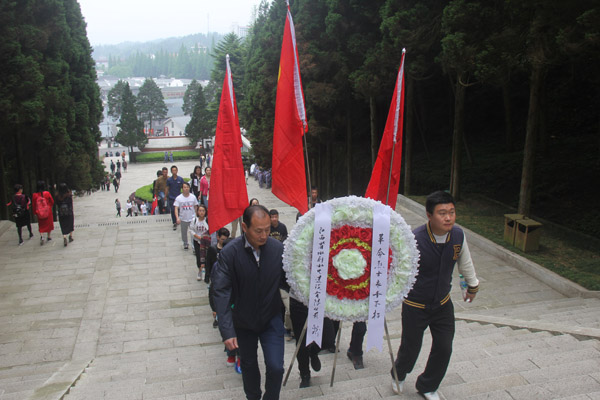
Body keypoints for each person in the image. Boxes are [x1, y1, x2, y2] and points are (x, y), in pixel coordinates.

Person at [390, 191, 479, 400]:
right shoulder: (415, 239)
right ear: (429, 215)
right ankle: (398, 373)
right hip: (416, 305)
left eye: (451, 212)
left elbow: (464, 261)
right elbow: (398, 269)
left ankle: (428, 386)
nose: (448, 218)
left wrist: (472, 285)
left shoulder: (458, 236)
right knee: (411, 348)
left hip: (442, 304)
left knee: (444, 347)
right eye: (442, 213)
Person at [212, 205, 287, 400]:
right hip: (243, 321)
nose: (264, 236)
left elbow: (289, 281)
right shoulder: (230, 253)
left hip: (271, 317)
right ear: (245, 228)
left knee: (276, 367)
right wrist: (227, 331)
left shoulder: (278, 249)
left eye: (267, 230)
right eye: (258, 231)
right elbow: (221, 292)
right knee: (248, 365)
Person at [174, 181, 198, 250]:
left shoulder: (193, 197)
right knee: (184, 233)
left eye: (187, 187)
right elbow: (176, 208)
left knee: (193, 233)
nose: (186, 189)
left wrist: (197, 216)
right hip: (183, 218)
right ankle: (185, 243)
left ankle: (194, 246)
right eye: (184, 187)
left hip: (192, 218)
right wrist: (177, 218)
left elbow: (196, 206)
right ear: (182, 189)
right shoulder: (179, 198)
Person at [189, 204, 211, 280]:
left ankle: (207, 271)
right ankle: (200, 270)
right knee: (199, 257)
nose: (201, 212)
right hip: (197, 241)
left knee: (207, 256)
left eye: (203, 211)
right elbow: (191, 230)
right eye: (200, 211)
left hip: (206, 242)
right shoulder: (194, 220)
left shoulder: (207, 220)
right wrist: (197, 237)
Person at [32, 181, 54, 245]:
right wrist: (49, 207)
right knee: (49, 224)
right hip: (48, 211)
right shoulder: (47, 193)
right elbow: (52, 201)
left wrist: (35, 212)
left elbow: (34, 204)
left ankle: (42, 236)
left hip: (39, 212)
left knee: (41, 225)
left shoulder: (34, 195)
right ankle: (49, 236)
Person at [166, 165, 185, 230]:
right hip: (171, 197)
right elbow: (167, 188)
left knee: (180, 210)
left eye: (175, 170)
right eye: (173, 170)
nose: (174, 171)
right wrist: (166, 196)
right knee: (173, 210)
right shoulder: (169, 180)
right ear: (171, 171)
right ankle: (174, 222)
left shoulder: (180, 179)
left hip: (179, 197)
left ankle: (179, 220)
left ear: (177, 171)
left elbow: (183, 187)